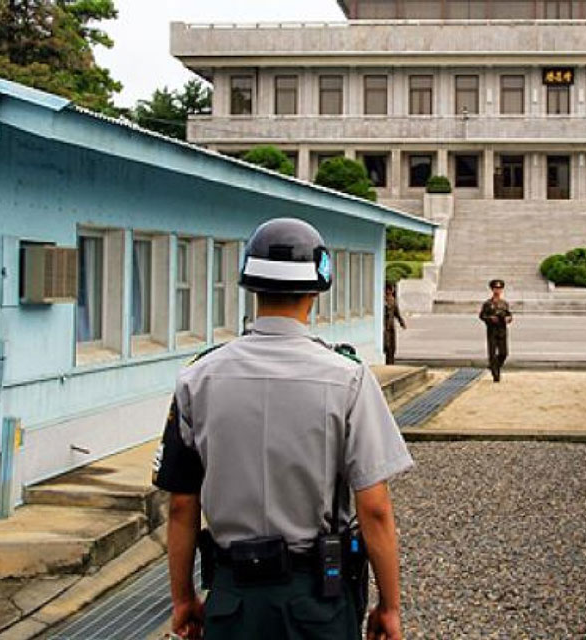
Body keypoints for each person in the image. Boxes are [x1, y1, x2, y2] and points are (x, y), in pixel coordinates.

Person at [153, 218, 412, 640]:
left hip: (232, 595)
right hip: (317, 597)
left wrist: (183, 599)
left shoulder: (197, 378)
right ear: (316, 291)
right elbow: (375, 508)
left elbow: (183, 504)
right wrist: (390, 605)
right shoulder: (348, 378)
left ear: (251, 287)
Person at [478, 279, 513, 382]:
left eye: (499, 288)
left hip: (502, 330)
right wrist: (490, 319)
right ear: (492, 289)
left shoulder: (504, 303)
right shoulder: (487, 303)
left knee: (504, 353)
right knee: (492, 354)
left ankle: (494, 366)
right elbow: (482, 315)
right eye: (495, 288)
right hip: (492, 330)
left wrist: (509, 318)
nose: (497, 290)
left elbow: (508, 314)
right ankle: (496, 375)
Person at [383, 283, 406, 365]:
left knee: (392, 346)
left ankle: (391, 362)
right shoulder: (382, 301)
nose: (391, 291)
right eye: (389, 290)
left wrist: (401, 322)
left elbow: (397, 313)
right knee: (386, 344)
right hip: (384, 326)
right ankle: (386, 361)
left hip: (391, 326)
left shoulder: (392, 300)